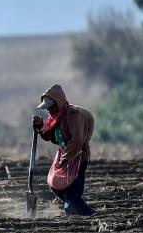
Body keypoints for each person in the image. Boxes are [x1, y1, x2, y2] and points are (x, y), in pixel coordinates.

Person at [33, 83, 96, 216]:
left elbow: (78, 141)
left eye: (50, 107)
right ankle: (86, 212)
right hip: (64, 153)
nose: (49, 110)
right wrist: (40, 126)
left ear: (58, 103)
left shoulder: (74, 115)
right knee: (53, 182)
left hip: (78, 155)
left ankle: (71, 207)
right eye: (47, 108)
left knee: (75, 186)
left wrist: (66, 158)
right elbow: (49, 135)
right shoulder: (55, 117)